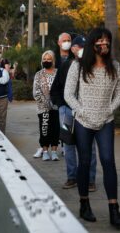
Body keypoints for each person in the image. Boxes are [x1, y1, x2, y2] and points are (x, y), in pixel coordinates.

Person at [64, 27, 120, 226]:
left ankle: (114, 209)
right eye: (100, 41)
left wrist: (109, 110)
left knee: (108, 161)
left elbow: (119, 93)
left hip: (105, 120)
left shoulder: (115, 67)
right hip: (83, 121)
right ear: (92, 44)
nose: (104, 45)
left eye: (107, 41)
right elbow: (68, 94)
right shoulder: (78, 66)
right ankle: (84, 204)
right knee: (85, 161)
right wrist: (81, 111)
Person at [50, 36, 98, 191]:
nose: (83, 49)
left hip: (87, 112)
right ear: (73, 48)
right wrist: (61, 105)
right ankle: (72, 177)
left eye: (86, 46)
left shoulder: (94, 64)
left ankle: (90, 180)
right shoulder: (66, 65)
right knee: (69, 145)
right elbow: (55, 88)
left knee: (89, 146)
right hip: (67, 111)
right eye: (80, 46)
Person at [33, 50, 60, 161]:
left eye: (49, 59)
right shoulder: (39, 74)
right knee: (44, 130)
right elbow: (36, 92)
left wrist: (56, 103)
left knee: (55, 130)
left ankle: (54, 152)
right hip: (43, 108)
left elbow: (61, 89)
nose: (46, 61)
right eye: (44, 59)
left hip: (56, 108)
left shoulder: (58, 73)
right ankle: (44, 151)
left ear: (53, 60)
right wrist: (46, 103)